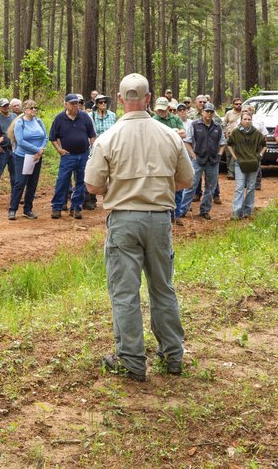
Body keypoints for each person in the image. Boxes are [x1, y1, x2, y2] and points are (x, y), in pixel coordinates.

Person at [85, 73, 194, 382]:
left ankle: (132, 361)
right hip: (160, 219)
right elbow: (186, 180)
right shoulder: (170, 135)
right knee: (163, 287)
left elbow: (92, 186)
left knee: (125, 292)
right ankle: (173, 355)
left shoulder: (108, 138)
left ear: (120, 99)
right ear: (148, 99)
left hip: (124, 220)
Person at [50, 94, 97, 220]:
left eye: (76, 103)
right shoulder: (59, 118)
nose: (75, 105)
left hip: (83, 155)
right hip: (68, 155)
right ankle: (57, 207)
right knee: (62, 181)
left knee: (81, 182)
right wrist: (59, 149)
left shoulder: (84, 116)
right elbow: (53, 137)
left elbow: (92, 135)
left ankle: (76, 208)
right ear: (66, 104)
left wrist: (92, 150)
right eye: (72, 103)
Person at [8, 99, 48, 220]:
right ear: (25, 110)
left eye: (35, 108)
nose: (34, 110)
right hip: (23, 157)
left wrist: (41, 150)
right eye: (31, 108)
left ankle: (28, 209)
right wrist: (37, 149)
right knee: (20, 182)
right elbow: (20, 141)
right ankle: (12, 209)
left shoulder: (39, 121)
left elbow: (45, 137)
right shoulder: (20, 123)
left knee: (32, 183)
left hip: (37, 157)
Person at [184, 102, 225, 220]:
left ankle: (205, 210)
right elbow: (187, 141)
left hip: (212, 161)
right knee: (191, 185)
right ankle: (183, 210)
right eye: (207, 111)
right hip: (198, 160)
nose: (209, 114)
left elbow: (222, 143)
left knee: (210, 187)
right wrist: (193, 156)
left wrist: (219, 155)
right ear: (202, 112)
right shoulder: (195, 125)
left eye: (211, 112)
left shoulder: (217, 127)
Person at [226, 111, 266, 219]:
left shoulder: (256, 133)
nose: (247, 121)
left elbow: (264, 145)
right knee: (239, 187)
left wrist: (259, 156)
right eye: (245, 119)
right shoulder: (236, 132)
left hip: (253, 164)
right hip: (240, 163)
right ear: (241, 120)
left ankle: (248, 211)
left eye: (249, 119)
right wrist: (235, 157)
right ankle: (236, 212)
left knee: (251, 187)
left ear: (251, 120)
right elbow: (229, 144)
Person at [86, 95, 118, 211]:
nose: (103, 104)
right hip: (96, 148)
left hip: (111, 148)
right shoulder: (90, 116)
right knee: (94, 172)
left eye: (105, 102)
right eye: (100, 102)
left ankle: (111, 198)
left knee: (111, 173)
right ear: (96, 104)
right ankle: (90, 200)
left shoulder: (113, 116)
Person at [0, 98, 17, 196]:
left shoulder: (14, 116)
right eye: (3, 106)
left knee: (14, 174)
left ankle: (15, 195)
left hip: (13, 149)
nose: (6, 107)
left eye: (7, 105)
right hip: (2, 150)